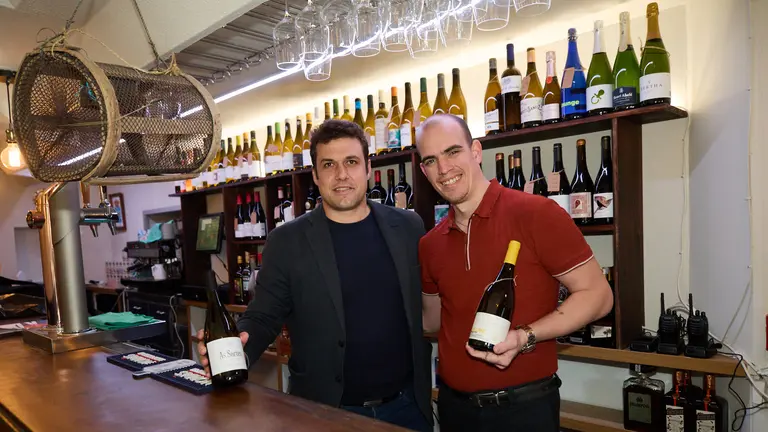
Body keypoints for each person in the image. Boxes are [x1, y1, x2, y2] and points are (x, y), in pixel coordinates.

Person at [197, 120, 433, 431]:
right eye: (329, 165)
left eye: (351, 162)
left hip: (406, 409)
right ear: (316, 176)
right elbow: (263, 317)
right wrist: (237, 347)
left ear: (367, 167)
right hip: (324, 412)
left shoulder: (408, 227)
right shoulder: (287, 241)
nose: (341, 174)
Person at [416, 115, 614, 432]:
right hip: (454, 410)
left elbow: (599, 296)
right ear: (423, 169)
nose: (443, 169)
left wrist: (524, 337)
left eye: (453, 152)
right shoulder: (429, 244)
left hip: (523, 410)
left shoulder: (536, 213)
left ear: (476, 151)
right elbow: (433, 321)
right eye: (431, 160)